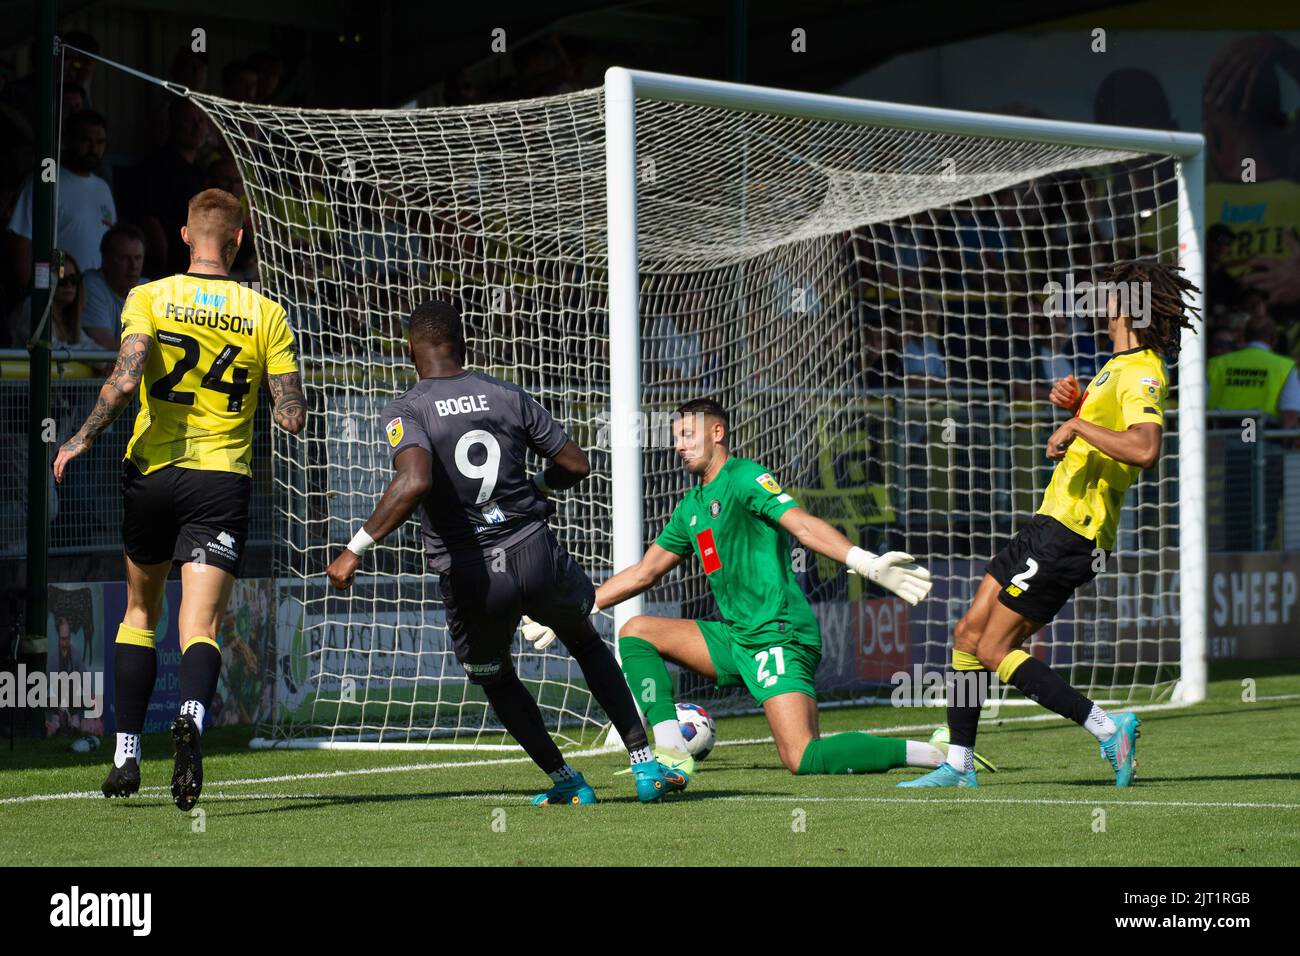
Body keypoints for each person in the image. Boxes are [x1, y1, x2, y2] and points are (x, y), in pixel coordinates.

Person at [325, 299, 683, 804]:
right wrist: (535, 482)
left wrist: (355, 548)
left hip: (474, 572)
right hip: (534, 550)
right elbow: (577, 465)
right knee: (584, 642)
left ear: (411, 349)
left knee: (495, 676)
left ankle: (568, 782)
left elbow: (414, 481)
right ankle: (645, 766)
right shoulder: (506, 394)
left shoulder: (408, 409)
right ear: (462, 344)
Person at [545, 397, 990, 780]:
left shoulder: (744, 477)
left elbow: (801, 525)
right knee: (637, 631)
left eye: (686, 435)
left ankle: (938, 752)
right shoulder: (693, 505)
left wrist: (865, 562)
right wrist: (581, 605)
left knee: (803, 757)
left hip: (778, 634)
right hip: (736, 635)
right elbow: (645, 572)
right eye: (675, 437)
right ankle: (670, 752)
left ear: (717, 433)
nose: (678, 446)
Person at [52, 188, 306, 810]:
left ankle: (126, 757)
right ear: (240, 239)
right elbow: (292, 415)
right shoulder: (265, 312)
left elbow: (126, 376)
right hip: (222, 479)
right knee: (202, 625)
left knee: (140, 614)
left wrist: (80, 437)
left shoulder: (149, 296)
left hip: (153, 472)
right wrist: (281, 407)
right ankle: (191, 716)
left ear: (186, 236)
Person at [902, 259, 1200, 790]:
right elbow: (1109, 431)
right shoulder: (1117, 363)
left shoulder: (1144, 370)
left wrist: (1077, 422)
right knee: (968, 634)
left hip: (1074, 531)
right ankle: (959, 764)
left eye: (1108, 294)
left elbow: (1145, 448)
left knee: (994, 648)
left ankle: (1110, 728)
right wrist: (1081, 402)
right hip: (1050, 518)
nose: (1099, 303)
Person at [6, 109, 115, 291]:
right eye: (85, 140)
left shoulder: (103, 188)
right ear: (68, 140)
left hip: (95, 298)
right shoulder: (46, 180)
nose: (93, 148)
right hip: (56, 293)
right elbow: (20, 241)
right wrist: (29, 293)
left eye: (99, 142)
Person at [1208, 313, 1300, 429]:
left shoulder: (1215, 363)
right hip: (1263, 438)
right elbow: (1289, 414)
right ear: (1273, 338)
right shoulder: (1285, 367)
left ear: (1245, 336)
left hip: (1219, 436)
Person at [82, 224, 146, 349]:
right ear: (105, 259)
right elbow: (107, 348)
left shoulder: (148, 289)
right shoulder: (91, 285)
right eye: (124, 258)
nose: (133, 266)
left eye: (138, 258)